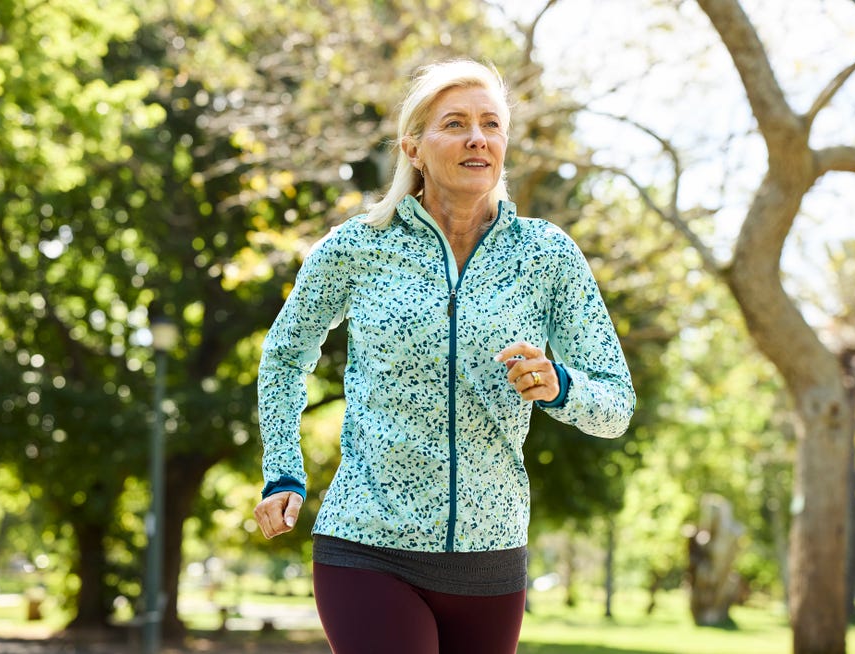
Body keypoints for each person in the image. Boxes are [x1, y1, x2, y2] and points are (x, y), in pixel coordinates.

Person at [253, 59, 635, 654]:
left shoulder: (547, 257)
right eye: (454, 123)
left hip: (492, 559)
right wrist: (283, 467)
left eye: (491, 124)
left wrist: (560, 385)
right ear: (414, 148)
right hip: (367, 543)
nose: (477, 137)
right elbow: (284, 355)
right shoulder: (359, 246)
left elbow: (616, 405)